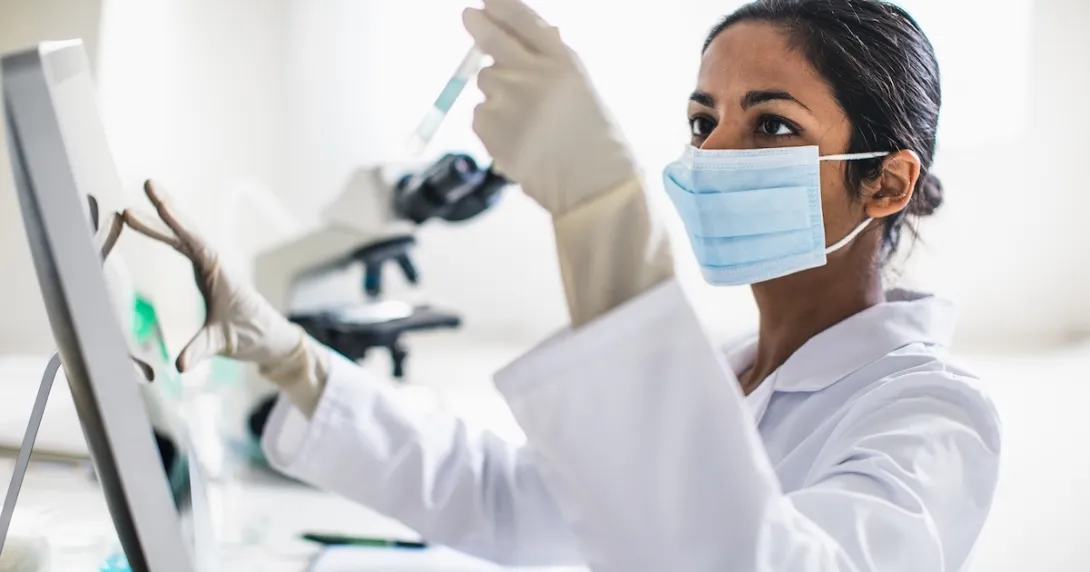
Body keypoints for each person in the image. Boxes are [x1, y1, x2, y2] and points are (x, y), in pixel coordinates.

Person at [122, 0, 1001, 569]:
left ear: (885, 182)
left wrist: (601, 217)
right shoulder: (735, 368)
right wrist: (292, 360)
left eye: (770, 123)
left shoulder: (933, 418)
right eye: (703, 119)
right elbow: (511, 502)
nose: (715, 153)